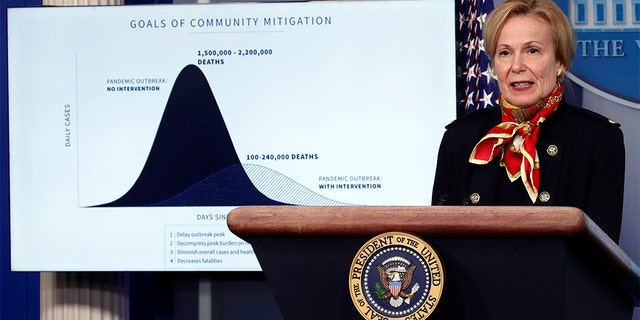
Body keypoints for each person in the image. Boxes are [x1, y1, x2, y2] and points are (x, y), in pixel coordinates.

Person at [431, 0, 625, 242]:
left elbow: (600, 259)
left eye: (532, 51)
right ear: (494, 65)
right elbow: (438, 247)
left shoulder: (599, 139)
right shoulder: (460, 138)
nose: (517, 66)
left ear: (560, 62)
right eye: (505, 53)